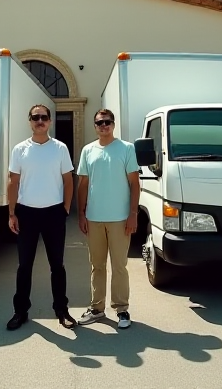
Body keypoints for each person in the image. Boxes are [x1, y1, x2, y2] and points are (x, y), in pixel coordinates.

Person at [6, 104, 77, 331]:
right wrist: (12, 213)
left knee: (57, 265)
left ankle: (62, 310)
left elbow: (68, 180)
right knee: (24, 266)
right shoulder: (20, 149)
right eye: (35, 117)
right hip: (26, 213)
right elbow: (13, 182)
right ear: (29, 121)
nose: (40, 121)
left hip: (54, 213)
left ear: (50, 121)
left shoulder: (60, 148)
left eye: (44, 117)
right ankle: (20, 312)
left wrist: (65, 209)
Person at [75, 109, 140, 329]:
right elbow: (83, 184)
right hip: (94, 218)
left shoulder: (126, 149)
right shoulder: (87, 150)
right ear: (94, 126)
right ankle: (97, 308)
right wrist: (81, 213)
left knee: (119, 266)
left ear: (114, 124)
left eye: (107, 122)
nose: (104, 126)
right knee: (97, 265)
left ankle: (121, 309)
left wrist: (133, 214)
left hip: (120, 219)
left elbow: (134, 184)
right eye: (100, 123)